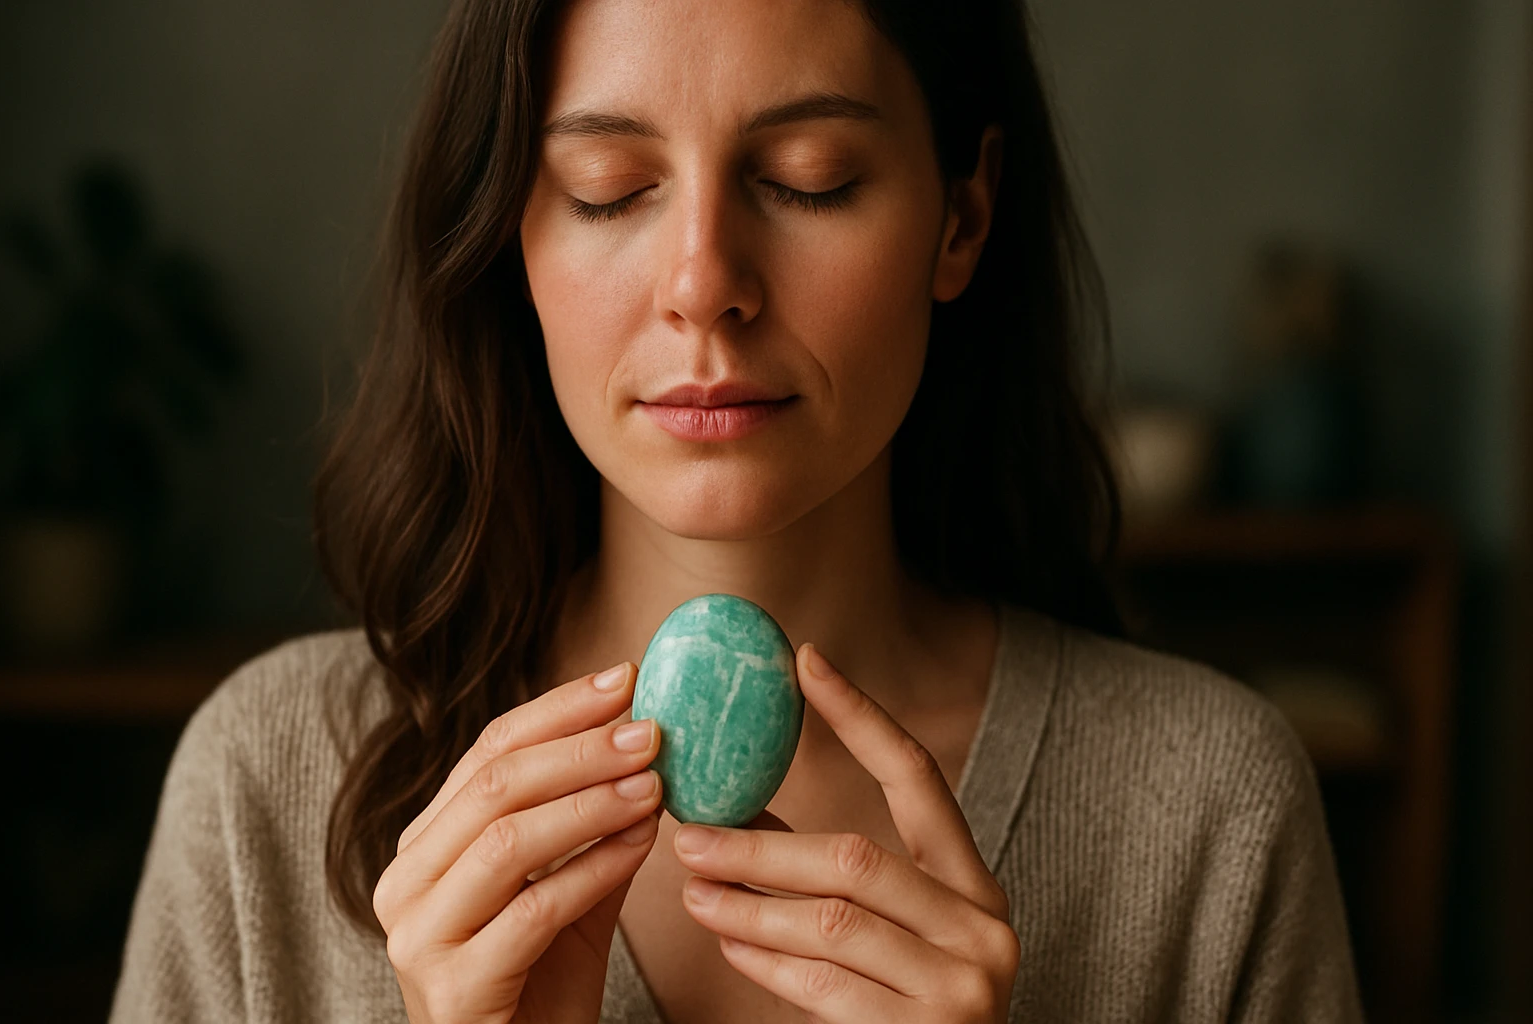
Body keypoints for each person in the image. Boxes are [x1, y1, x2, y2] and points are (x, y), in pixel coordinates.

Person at [109, 0, 1366, 1021]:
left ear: (960, 214)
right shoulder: (267, 790)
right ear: (509, 232)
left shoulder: (1210, 812)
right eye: (607, 187)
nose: (704, 285)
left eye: (810, 180)